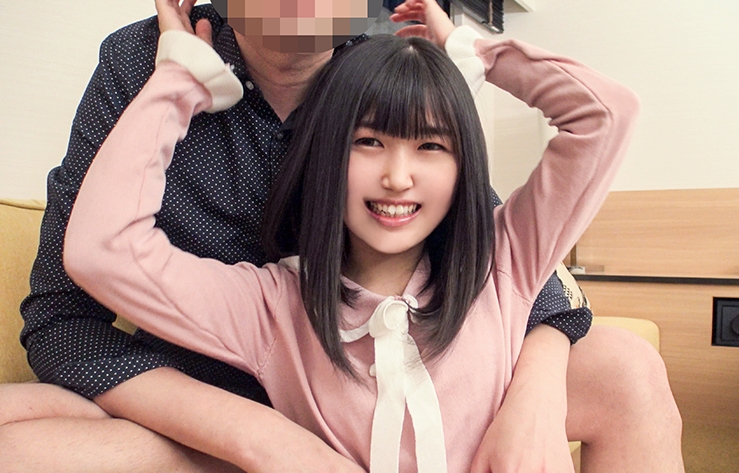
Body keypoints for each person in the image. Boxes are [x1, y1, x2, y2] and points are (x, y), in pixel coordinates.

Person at [0, 0, 684, 472]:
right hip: (218, 391)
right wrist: (267, 440)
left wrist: (473, 54)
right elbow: (74, 299)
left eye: (427, 147)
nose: (397, 174)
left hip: (422, 375)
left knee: (625, 365)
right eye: (368, 142)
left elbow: (515, 231)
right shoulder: (272, 302)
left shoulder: (386, 72)